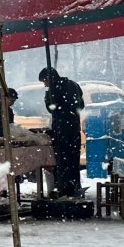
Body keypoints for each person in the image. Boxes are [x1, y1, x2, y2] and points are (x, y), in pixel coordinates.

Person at [40, 67, 84, 198]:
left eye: (44, 81)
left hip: (61, 131)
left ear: (49, 78)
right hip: (74, 129)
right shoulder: (74, 85)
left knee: (62, 161)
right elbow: (80, 106)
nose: (45, 84)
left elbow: (51, 109)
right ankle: (74, 187)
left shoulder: (53, 90)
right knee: (73, 160)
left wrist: (48, 97)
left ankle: (64, 188)